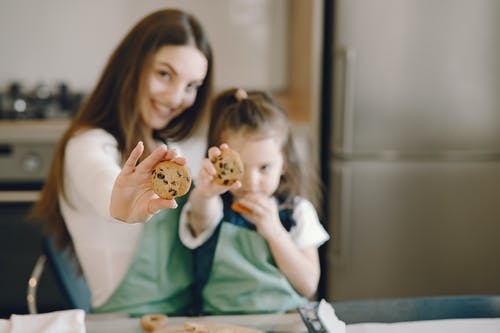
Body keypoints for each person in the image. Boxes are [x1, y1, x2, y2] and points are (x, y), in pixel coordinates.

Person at [30, 8, 213, 316]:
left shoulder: (168, 147)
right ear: (132, 68)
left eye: (191, 85)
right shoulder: (87, 146)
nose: (175, 97)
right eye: (164, 74)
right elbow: (106, 186)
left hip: (185, 319)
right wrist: (121, 202)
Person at [179, 88, 330, 315]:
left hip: (284, 324)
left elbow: (308, 284)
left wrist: (275, 232)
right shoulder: (216, 206)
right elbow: (200, 217)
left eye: (265, 167)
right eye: (239, 167)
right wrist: (205, 193)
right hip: (221, 324)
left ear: (284, 164)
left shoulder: (297, 211)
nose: (251, 181)